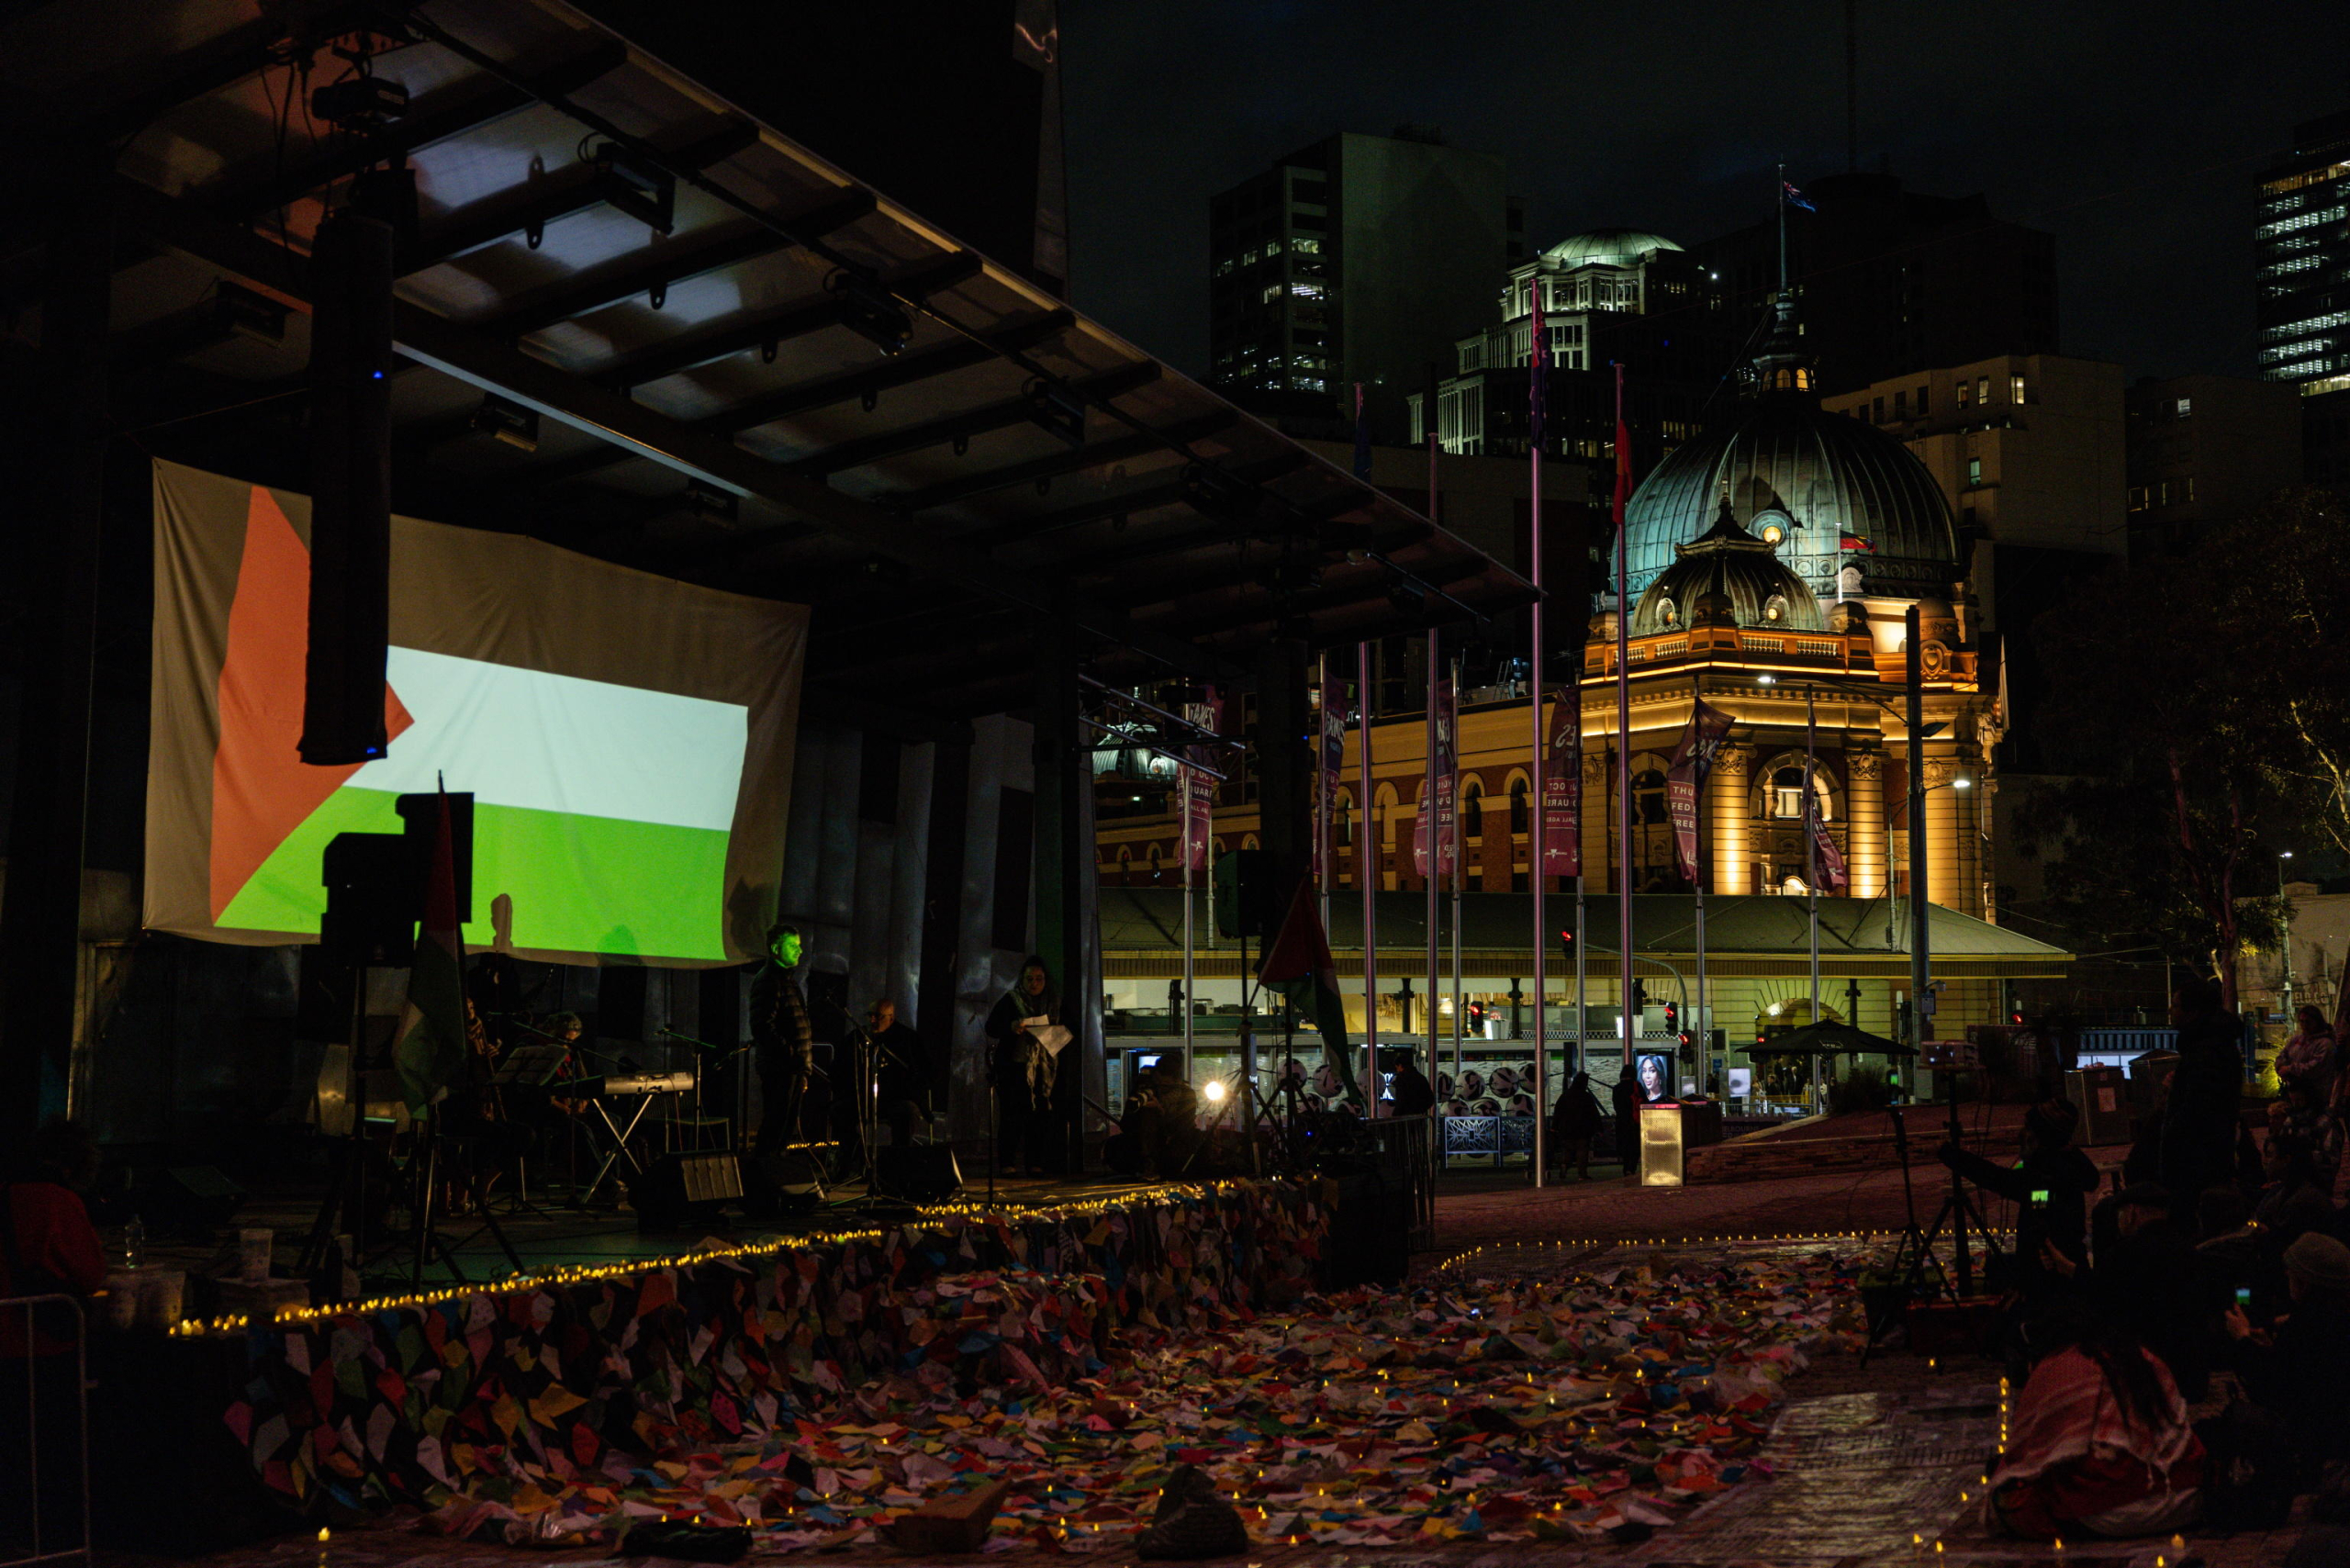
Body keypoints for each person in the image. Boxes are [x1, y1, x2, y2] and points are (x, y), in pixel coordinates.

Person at [1985, 1304, 2204, 1540]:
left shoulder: (2060, 1365)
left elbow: (2031, 1457)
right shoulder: (2142, 1356)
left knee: (2013, 1496)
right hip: (2187, 1500)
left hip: (2109, 1512)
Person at [0, 1122, 108, 1551]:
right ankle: (54, 1538)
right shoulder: (58, 1201)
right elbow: (89, 1271)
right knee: (50, 1448)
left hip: (3, 1337)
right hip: (43, 1340)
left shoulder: (6, 1192)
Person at [1942, 1097, 2099, 1308]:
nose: (2022, 1133)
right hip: (2055, 1262)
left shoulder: (2046, 1175)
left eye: (2028, 1127)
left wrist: (1948, 1154)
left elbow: (1997, 1179)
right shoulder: (2065, 1162)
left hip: (2049, 1269)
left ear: (2042, 1135)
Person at [2222, 1230, 2350, 1479]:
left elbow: (2273, 1389)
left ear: (2305, 1281)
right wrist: (2271, 1349)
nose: (2286, 1275)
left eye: (2290, 1271)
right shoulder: (2333, 1318)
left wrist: (2243, 1339)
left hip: (2314, 1438)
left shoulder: (2308, 1325)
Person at [2161, 976, 2243, 1223]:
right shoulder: (2209, 1046)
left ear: (2193, 1011)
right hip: (2205, 1155)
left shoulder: (2206, 1051)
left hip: (2197, 1160)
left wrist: (2174, 1132)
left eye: (2176, 1005)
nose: (2171, 1011)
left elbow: (2198, 1107)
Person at [987, 958, 1061, 1175]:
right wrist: (1011, 1027)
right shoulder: (1011, 1000)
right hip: (1015, 1066)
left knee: (1039, 1115)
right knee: (1012, 1115)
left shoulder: (1054, 1002)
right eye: (1030, 979)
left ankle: (1035, 1162)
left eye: (1039, 979)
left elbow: (1066, 1029)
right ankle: (1007, 1163)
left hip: (1043, 1067)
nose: (1034, 983)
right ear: (1022, 979)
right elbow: (991, 1027)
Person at [750, 924, 815, 1155]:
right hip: (781, 1069)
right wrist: (793, 1057)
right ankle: (763, 1179)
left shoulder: (787, 980)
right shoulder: (769, 980)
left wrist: (802, 1068)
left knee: (784, 1131)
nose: (800, 951)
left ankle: (773, 1177)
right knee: (776, 1129)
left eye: (799, 946)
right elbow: (762, 1026)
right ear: (776, 948)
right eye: (792, 946)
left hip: (792, 1068)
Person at [863, 999, 931, 1150]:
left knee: (906, 1112)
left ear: (891, 1018)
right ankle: (853, 1161)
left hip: (897, 1097)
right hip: (865, 1097)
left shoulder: (907, 1039)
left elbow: (922, 1072)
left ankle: (898, 1161)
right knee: (839, 1110)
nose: (872, 1020)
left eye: (878, 1016)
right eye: (870, 1015)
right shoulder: (861, 1037)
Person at [2279, 1004, 2339, 1106]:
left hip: (2316, 1096)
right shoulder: (2297, 1039)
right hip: (2294, 1093)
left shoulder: (2325, 1044)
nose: (2304, 1025)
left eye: (2308, 1022)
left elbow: (2315, 1067)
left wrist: (2290, 1069)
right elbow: (2283, 1055)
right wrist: (2280, 1067)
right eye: (2302, 1022)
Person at [1552, 1070, 1605, 1179]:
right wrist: (1599, 1128)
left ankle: (1564, 1165)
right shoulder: (1586, 1097)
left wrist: (1554, 1127)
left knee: (1568, 1149)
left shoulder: (1565, 1095)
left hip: (1566, 1128)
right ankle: (1582, 1174)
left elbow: (1558, 1112)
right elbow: (1594, 1113)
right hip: (1582, 1129)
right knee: (1582, 1151)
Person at [1385, 1050, 1437, 1117]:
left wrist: (1396, 1114)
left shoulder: (1401, 1078)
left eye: (1397, 1067)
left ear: (1400, 1065)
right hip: (1419, 1116)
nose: (1397, 1070)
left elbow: (1401, 1099)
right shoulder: (1421, 1077)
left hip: (1405, 1117)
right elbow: (1430, 1098)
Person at [1611, 1070, 1642, 1179]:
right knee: (1634, 1145)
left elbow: (1616, 1106)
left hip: (1621, 1120)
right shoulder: (1636, 1086)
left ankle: (1626, 1167)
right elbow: (1643, 1102)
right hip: (1634, 1120)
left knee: (1625, 1145)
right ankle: (1631, 1168)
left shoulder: (1616, 1088)